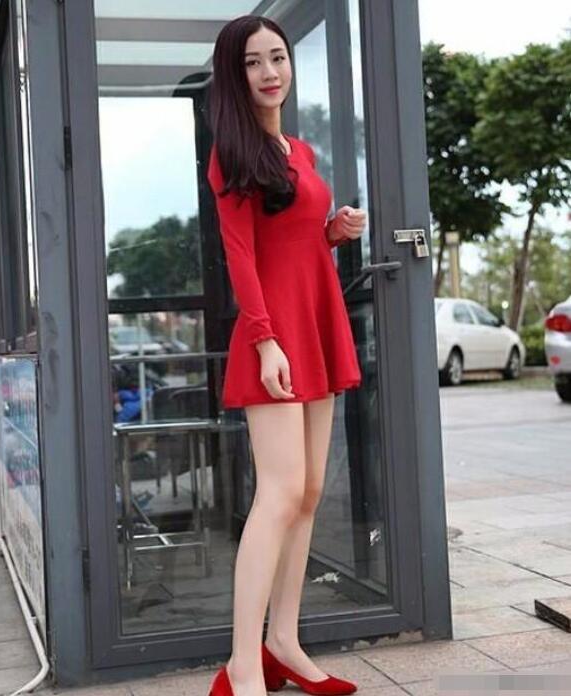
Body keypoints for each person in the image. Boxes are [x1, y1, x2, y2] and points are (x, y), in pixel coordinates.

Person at [206, 15, 366, 696]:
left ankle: (284, 642)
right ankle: (242, 664)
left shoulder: (299, 151)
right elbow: (241, 254)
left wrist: (333, 232)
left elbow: (291, 242)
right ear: (234, 74)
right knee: (277, 494)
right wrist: (265, 338)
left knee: (307, 491)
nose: (270, 72)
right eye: (253, 62)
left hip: (315, 324)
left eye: (277, 57)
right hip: (270, 334)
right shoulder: (232, 154)